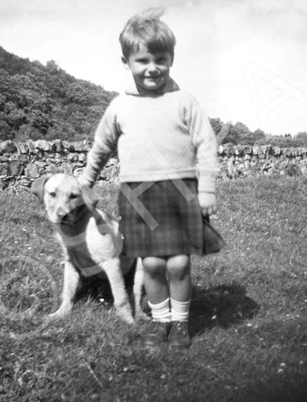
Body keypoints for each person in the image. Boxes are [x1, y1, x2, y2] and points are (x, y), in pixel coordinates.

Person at [79, 8, 224, 349]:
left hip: (181, 192)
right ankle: (161, 323)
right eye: (142, 60)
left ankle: (181, 325)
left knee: (178, 262)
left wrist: (207, 190)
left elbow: (207, 145)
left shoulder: (184, 101)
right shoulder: (118, 107)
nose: (152, 68)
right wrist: (86, 180)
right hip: (137, 195)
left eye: (161, 59)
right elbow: (101, 147)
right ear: (126, 61)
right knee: (154, 263)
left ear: (172, 59)